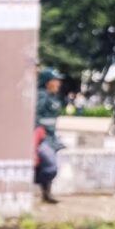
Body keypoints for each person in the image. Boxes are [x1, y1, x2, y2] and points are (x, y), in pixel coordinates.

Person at [34, 72, 65, 205]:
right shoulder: (41, 96)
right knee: (50, 167)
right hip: (42, 138)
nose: (58, 83)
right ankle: (37, 183)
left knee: (47, 164)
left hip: (52, 138)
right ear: (47, 82)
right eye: (55, 80)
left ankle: (47, 194)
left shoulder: (53, 97)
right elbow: (34, 117)